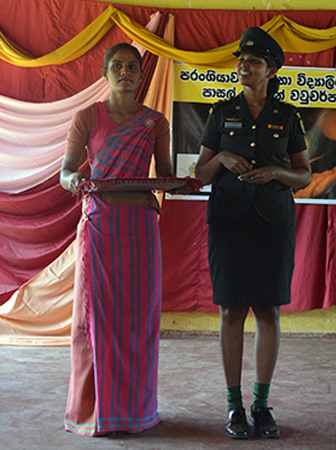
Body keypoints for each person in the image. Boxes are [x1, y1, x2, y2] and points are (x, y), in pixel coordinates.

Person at [194, 27, 311, 440]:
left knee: (268, 312)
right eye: (242, 61)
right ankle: (234, 406)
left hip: (272, 222)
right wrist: (223, 157)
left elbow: (304, 174)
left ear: (271, 70)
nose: (244, 66)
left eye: (254, 62)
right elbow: (201, 173)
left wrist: (277, 172)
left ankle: (261, 406)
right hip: (229, 222)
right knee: (230, 311)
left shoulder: (288, 116)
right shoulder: (220, 113)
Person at [60, 43, 174, 435]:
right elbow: (65, 173)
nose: (125, 72)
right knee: (95, 316)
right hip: (100, 225)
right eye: (118, 66)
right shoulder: (86, 117)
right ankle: (94, 412)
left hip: (140, 227)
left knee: (139, 319)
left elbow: (165, 174)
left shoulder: (155, 123)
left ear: (141, 75)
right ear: (106, 73)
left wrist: (182, 181)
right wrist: (76, 181)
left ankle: (136, 411)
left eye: (132, 67)